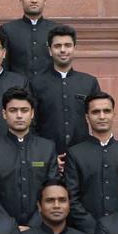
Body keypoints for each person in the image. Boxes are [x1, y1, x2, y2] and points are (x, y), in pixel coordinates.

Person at [0, 86, 58, 226]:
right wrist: (11, 226)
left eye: (24, 110)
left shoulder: (47, 148)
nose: (19, 115)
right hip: (1, 229)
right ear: (4, 114)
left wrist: (33, 225)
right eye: (13, 110)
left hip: (41, 229)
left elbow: (52, 190)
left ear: (32, 113)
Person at [66, 91, 118, 234]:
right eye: (95, 112)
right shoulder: (75, 153)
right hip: (85, 233)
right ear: (87, 117)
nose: (101, 116)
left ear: (113, 114)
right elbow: (71, 197)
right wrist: (91, 226)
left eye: (106, 111)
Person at [30, 24, 100, 157]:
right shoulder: (36, 83)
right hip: (46, 156)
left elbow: (98, 120)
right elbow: (31, 123)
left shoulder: (89, 82)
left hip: (83, 155)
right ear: (50, 50)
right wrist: (45, 155)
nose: (63, 50)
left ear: (74, 48)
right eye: (57, 46)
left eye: (67, 45)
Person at [0, 0, 58, 79]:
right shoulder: (8, 29)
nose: (34, 0)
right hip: (18, 89)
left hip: (50, 89)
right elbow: (3, 64)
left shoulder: (56, 29)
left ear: (45, 0)